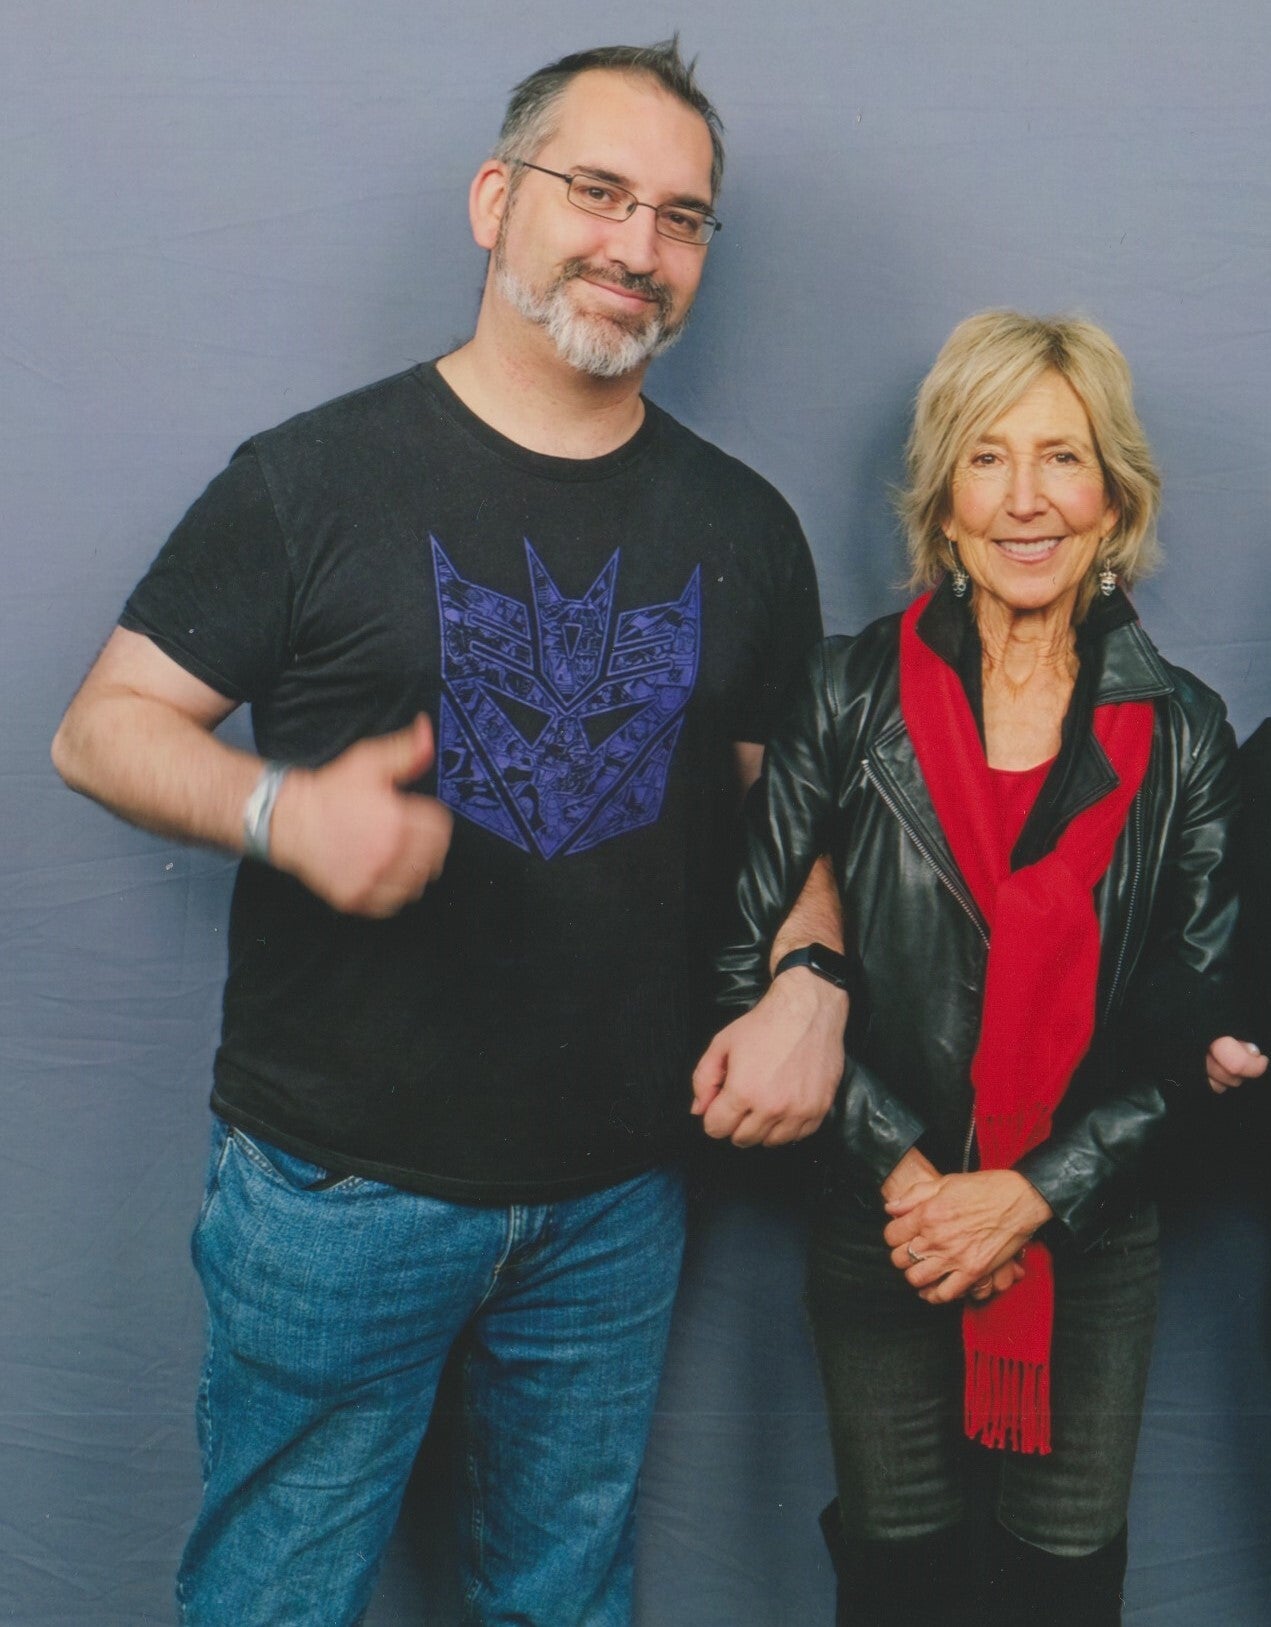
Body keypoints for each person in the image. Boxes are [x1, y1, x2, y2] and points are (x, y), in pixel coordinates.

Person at [51, 40, 845, 1627]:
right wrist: (281, 810)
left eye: (681, 216)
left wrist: (814, 977)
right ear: (496, 200)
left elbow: (787, 810)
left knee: (568, 1599)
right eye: (598, 191)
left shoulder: (746, 527)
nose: (636, 244)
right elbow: (102, 727)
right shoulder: (312, 481)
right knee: (276, 1601)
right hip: (337, 1187)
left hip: (621, 1189)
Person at [703, 310, 1264, 1626]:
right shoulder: (844, 696)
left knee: (1061, 1592)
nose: (1026, 499)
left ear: (1113, 499)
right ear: (943, 504)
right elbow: (742, 967)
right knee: (896, 1585)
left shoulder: (1187, 733)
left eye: (1063, 458)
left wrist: (1028, 1195)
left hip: (1088, 1234)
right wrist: (914, 1184)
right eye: (987, 457)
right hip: (880, 1221)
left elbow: (1192, 1025)